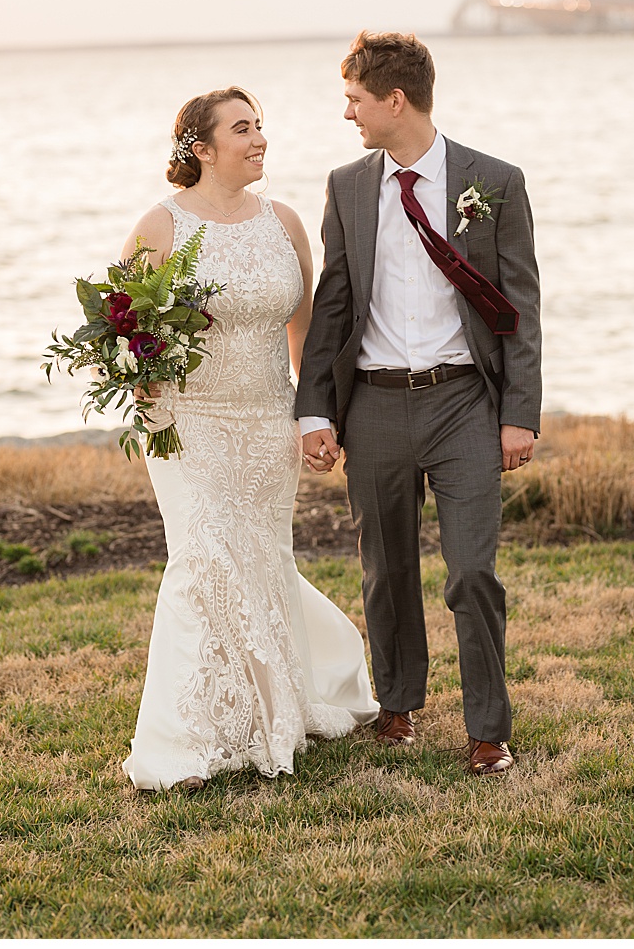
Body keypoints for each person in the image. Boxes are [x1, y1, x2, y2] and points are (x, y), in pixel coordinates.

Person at [295, 31, 542, 778]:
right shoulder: (347, 185)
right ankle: (397, 702)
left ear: (394, 101)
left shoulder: (494, 181)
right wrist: (315, 410)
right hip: (372, 403)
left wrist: (520, 412)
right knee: (385, 568)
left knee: (472, 571)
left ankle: (488, 729)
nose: (349, 115)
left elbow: (520, 305)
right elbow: (333, 304)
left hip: (464, 401)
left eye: (356, 100)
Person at [122, 87, 379, 792]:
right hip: (188, 422)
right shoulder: (160, 227)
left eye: (260, 125)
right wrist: (140, 378)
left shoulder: (284, 223)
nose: (259, 138)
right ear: (202, 149)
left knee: (259, 560)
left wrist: (315, 416)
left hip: (268, 419)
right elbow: (127, 332)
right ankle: (187, 738)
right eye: (242, 129)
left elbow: (305, 334)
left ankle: (273, 711)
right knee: (204, 558)